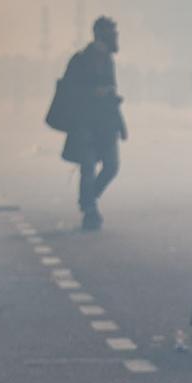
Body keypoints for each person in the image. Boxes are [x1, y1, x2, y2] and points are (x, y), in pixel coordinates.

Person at [60, 17, 126, 231]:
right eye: (111, 32)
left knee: (112, 166)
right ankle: (89, 209)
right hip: (85, 124)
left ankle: (88, 199)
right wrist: (92, 93)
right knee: (88, 168)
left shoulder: (108, 60)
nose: (115, 36)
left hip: (106, 124)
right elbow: (68, 91)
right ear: (100, 34)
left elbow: (112, 93)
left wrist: (121, 124)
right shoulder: (80, 60)